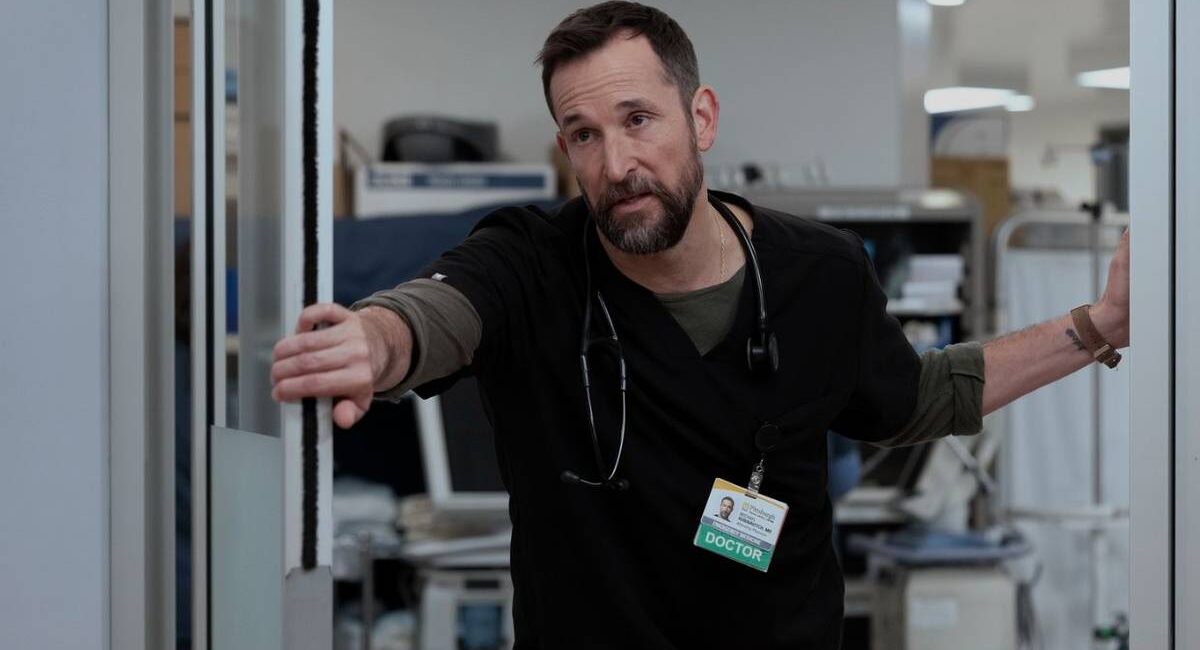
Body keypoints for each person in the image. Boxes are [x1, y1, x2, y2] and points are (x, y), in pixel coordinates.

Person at [271, 3, 1130, 647]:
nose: (617, 163)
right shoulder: (531, 261)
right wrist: (374, 340)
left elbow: (917, 399)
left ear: (701, 117)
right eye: (584, 134)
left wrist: (1099, 324)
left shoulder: (819, 274)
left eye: (638, 119)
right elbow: (440, 313)